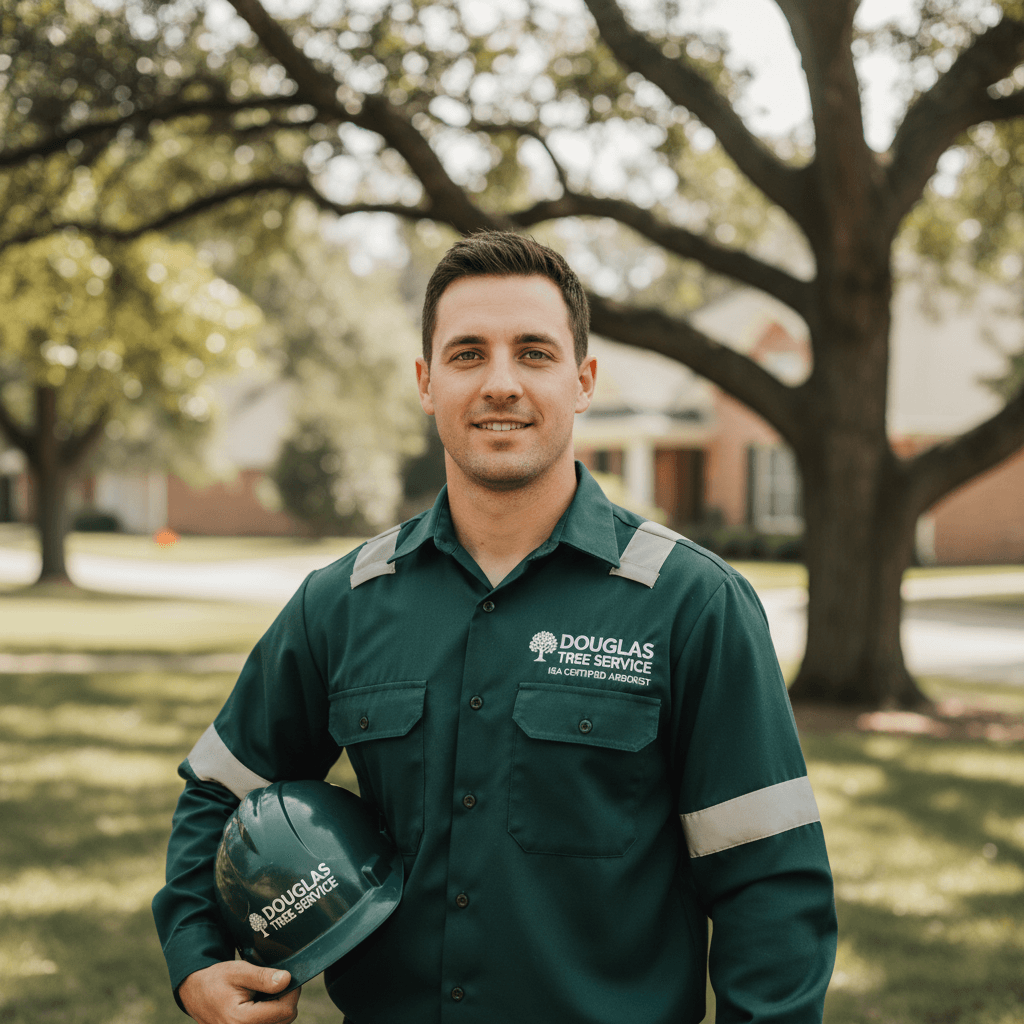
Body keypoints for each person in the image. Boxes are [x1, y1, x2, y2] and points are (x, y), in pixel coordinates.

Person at [153, 230, 837, 1024]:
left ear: (582, 382)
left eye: (534, 354)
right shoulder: (342, 603)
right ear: (426, 382)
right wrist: (198, 959)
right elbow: (221, 790)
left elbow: (770, 887)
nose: (501, 383)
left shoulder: (693, 603)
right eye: (468, 354)